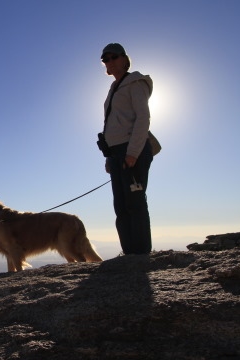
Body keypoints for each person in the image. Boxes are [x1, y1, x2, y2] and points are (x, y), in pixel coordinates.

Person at [100, 43, 153, 255]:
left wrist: (132, 152)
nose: (109, 62)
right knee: (121, 207)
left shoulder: (135, 83)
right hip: (116, 153)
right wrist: (109, 156)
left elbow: (143, 117)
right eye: (105, 59)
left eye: (113, 57)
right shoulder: (114, 88)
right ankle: (130, 254)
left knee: (135, 202)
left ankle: (140, 255)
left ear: (124, 59)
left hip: (131, 149)